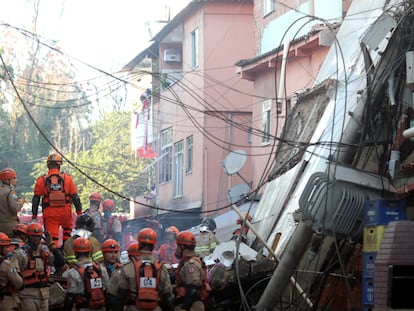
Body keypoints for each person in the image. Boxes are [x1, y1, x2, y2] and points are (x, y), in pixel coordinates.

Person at [107, 228, 174, 311]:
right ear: (154, 246)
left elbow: (121, 296)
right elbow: (167, 297)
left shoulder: (128, 267)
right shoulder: (161, 268)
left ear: (139, 244)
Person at [31, 153, 83, 248]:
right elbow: (75, 197)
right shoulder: (67, 179)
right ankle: (66, 254)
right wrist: (79, 213)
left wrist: (34, 216)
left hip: (50, 214)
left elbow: (36, 199)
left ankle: (53, 259)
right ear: (59, 165)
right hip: (66, 213)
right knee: (67, 238)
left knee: (52, 241)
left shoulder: (42, 180)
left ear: (48, 166)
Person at [13, 222, 65, 311]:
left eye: (38, 236)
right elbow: (14, 276)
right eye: (33, 236)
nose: (36, 239)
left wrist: (52, 246)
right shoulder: (20, 253)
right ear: (28, 237)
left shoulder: (44, 250)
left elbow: (60, 263)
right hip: (27, 295)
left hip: (43, 294)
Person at [63, 237, 109, 311]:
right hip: (100, 307)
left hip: (83, 307)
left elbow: (70, 296)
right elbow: (107, 287)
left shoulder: (73, 272)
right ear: (89, 252)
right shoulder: (100, 268)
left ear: (75, 253)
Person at [175, 230, 211, 311]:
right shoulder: (186, 263)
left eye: (177, 246)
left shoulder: (191, 264)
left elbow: (192, 289)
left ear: (182, 247)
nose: (176, 249)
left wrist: (185, 308)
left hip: (193, 306)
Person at [0, 232, 24, 310]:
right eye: (6, 247)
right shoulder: (7, 264)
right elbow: (19, 283)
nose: (8, 249)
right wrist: (15, 265)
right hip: (5, 302)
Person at [0, 167, 25, 237]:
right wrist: (21, 202)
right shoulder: (11, 192)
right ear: (8, 180)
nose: (16, 180)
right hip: (10, 227)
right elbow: (15, 208)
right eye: (14, 178)